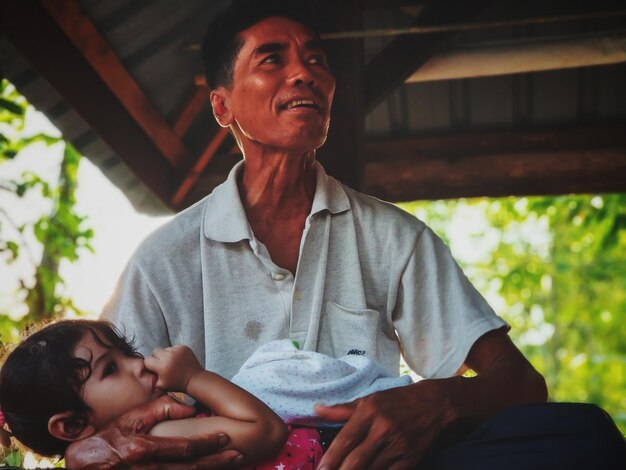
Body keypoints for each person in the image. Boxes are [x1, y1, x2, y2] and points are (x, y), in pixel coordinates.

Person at [66, 1, 626, 468]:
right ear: (223, 105)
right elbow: (94, 404)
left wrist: (431, 401)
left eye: (316, 59)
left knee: (586, 437)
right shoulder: (164, 260)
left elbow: (521, 385)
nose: (305, 72)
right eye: (272, 58)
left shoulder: (394, 238)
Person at [0, 320, 287, 467]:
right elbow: (268, 430)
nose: (138, 363)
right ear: (72, 425)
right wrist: (193, 377)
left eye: (127, 352)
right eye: (111, 369)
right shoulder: (157, 438)